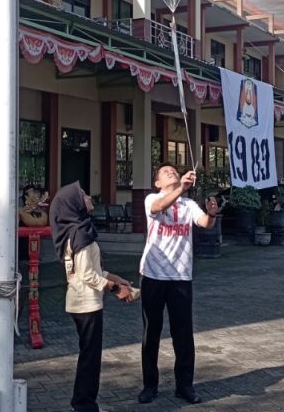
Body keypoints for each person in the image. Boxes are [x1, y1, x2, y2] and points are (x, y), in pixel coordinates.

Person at [138, 164, 219, 404]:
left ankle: (184, 386)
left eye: (173, 170)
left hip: (181, 277)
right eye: (165, 172)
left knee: (183, 334)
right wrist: (182, 187)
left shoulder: (188, 204)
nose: (171, 173)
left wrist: (212, 213)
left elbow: (204, 223)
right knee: (151, 332)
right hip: (153, 275)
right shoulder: (152, 198)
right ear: (157, 183)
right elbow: (158, 208)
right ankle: (149, 386)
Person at [53, 183, 135, 412]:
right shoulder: (81, 233)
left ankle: (83, 402)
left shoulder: (76, 230)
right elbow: (87, 274)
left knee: (88, 355)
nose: (88, 197)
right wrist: (115, 289)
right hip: (85, 303)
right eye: (82, 195)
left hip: (80, 301)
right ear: (74, 204)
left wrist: (118, 279)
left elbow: (92, 270)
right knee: (90, 357)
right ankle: (84, 404)